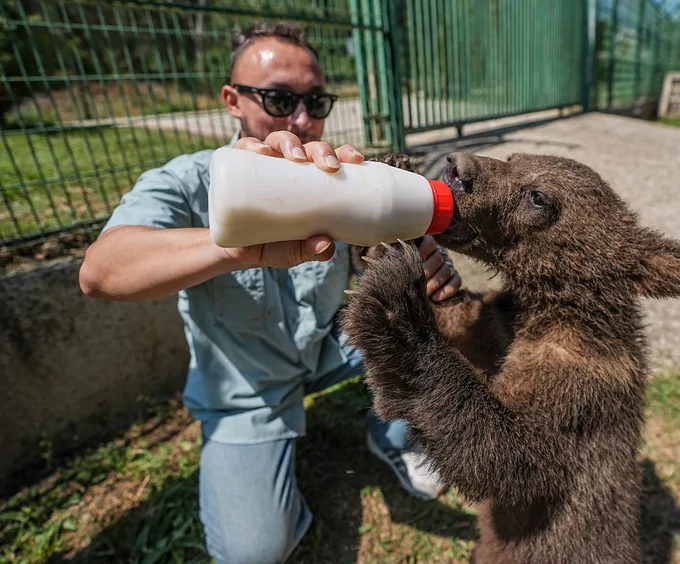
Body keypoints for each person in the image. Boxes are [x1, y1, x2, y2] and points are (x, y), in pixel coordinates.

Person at [78, 20, 462, 564]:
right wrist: (236, 245)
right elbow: (100, 271)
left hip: (327, 348)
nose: (302, 120)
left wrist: (402, 268)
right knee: (255, 551)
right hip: (247, 388)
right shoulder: (187, 181)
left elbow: (377, 259)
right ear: (232, 101)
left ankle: (393, 437)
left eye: (315, 101)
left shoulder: (335, 174)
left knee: (432, 326)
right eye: (280, 100)